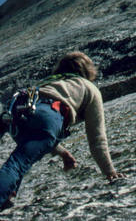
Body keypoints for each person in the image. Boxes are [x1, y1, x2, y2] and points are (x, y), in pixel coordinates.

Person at [0, 51, 124, 210]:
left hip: (17, 114)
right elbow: (97, 139)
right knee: (17, 165)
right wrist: (110, 172)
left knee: (19, 162)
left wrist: (62, 153)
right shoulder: (88, 88)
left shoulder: (49, 82)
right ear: (88, 71)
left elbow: (38, 128)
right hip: (48, 115)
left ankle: (6, 199)